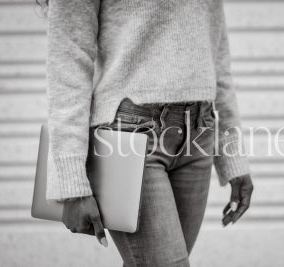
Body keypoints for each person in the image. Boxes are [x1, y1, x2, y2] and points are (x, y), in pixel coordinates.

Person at [42, 0, 253, 266]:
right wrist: (72, 185)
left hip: (200, 135)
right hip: (130, 138)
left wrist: (233, 155)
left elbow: (217, 58)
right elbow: (68, 60)